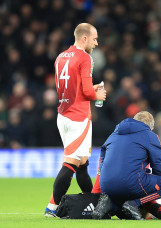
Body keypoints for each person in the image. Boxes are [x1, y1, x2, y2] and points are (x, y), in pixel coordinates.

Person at [44, 23, 107, 217]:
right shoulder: (85, 57)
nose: (96, 43)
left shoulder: (61, 57)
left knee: (82, 163)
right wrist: (98, 95)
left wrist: (91, 88)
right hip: (78, 116)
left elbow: (73, 87)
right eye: (95, 39)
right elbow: (87, 92)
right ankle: (51, 208)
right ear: (84, 38)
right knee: (71, 163)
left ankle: (93, 203)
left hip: (63, 113)